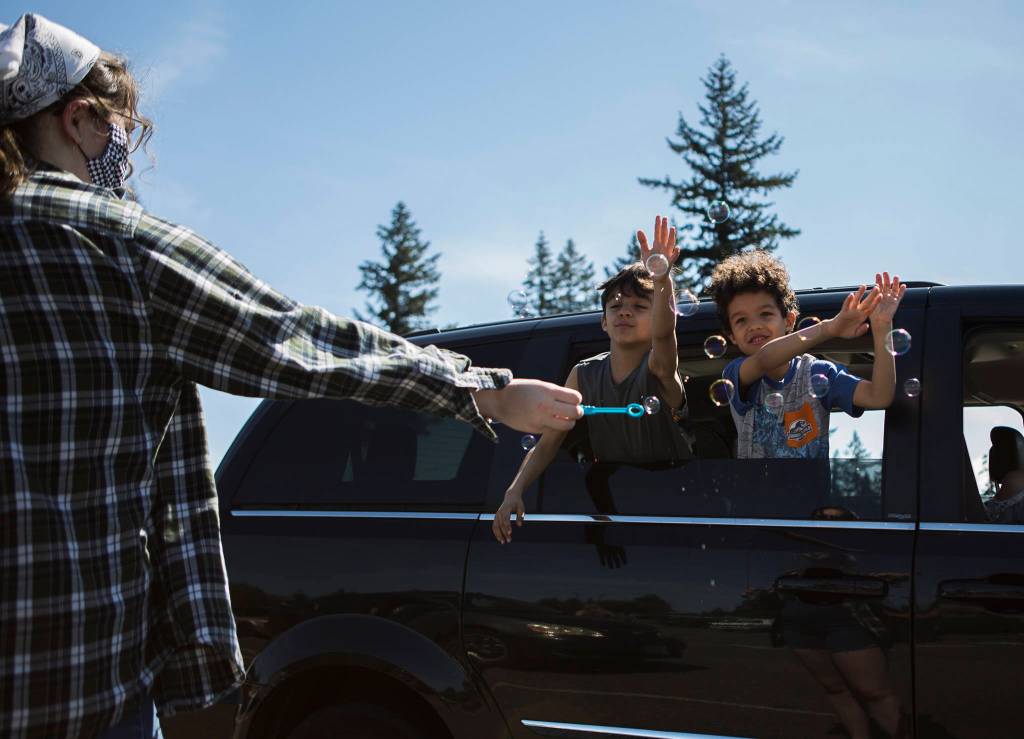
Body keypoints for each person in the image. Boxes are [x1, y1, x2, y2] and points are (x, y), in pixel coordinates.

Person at [0, 14, 582, 739]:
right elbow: (291, 339)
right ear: (80, 118)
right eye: (122, 127)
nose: (124, 147)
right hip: (79, 681)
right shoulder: (112, 242)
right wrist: (481, 389)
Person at [493, 216, 692, 544]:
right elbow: (549, 441)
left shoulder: (658, 367)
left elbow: (665, 334)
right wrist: (514, 490)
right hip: (617, 506)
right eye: (616, 306)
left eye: (639, 307)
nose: (624, 312)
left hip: (673, 501)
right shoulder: (583, 374)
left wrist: (662, 280)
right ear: (603, 323)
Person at [707, 250, 905, 459]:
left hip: (810, 493)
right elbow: (765, 359)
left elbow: (879, 396)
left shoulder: (817, 373)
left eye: (765, 314)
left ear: (790, 321)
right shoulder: (736, 374)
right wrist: (829, 328)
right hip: (757, 493)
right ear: (731, 336)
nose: (754, 325)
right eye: (741, 320)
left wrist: (882, 326)